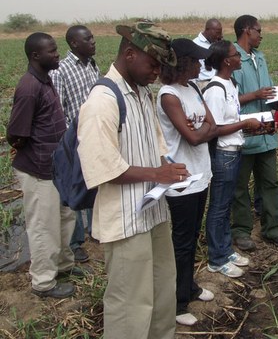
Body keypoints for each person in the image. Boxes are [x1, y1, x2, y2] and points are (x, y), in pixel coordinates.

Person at [77, 21, 189, 339]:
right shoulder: (102, 102)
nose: (157, 72)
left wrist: (171, 169)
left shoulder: (141, 94)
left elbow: (157, 148)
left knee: (162, 294)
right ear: (129, 54)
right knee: (130, 306)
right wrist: (158, 174)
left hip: (153, 214)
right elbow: (102, 169)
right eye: (153, 64)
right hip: (125, 222)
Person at [7, 33, 77, 299]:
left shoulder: (44, 80)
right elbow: (17, 134)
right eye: (52, 51)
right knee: (43, 226)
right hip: (38, 170)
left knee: (64, 218)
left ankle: (62, 266)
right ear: (36, 56)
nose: (57, 54)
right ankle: (44, 283)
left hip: (55, 167)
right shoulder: (29, 87)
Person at [157, 38, 217, 326]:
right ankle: (178, 303)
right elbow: (193, 136)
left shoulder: (192, 87)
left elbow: (212, 124)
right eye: (196, 61)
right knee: (181, 242)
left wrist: (202, 129)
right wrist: (202, 129)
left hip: (201, 173)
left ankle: (189, 286)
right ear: (183, 63)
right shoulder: (168, 95)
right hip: (181, 180)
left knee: (192, 236)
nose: (201, 65)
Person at [231, 15, 278, 251]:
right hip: (244, 135)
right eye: (258, 31)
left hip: (266, 133)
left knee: (270, 183)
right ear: (247, 31)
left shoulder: (260, 58)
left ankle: (272, 229)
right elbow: (227, 100)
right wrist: (254, 95)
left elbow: (268, 92)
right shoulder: (233, 58)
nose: (261, 35)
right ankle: (241, 231)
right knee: (240, 187)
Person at [202, 40, 261, 278]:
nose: (240, 57)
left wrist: (248, 128)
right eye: (236, 55)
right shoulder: (216, 89)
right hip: (223, 155)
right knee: (218, 207)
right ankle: (217, 258)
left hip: (234, 151)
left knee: (225, 206)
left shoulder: (230, 83)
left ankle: (225, 250)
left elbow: (230, 119)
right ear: (227, 61)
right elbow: (214, 128)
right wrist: (245, 123)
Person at [50, 25, 100, 262]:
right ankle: (76, 242)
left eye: (92, 37)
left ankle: (95, 230)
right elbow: (58, 108)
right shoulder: (60, 70)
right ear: (73, 44)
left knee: (95, 183)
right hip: (74, 138)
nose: (93, 42)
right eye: (88, 39)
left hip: (94, 136)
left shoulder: (92, 65)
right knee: (76, 188)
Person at [193, 18, 223, 88]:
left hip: (218, 81)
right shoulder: (195, 44)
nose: (219, 35)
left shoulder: (217, 43)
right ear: (207, 30)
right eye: (217, 32)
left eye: (220, 33)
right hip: (203, 83)